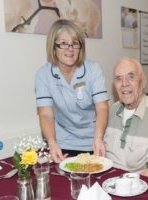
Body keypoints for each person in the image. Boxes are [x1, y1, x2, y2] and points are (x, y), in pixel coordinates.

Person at [35, 19, 109, 163]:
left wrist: (98, 139)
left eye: (75, 43)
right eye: (63, 43)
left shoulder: (93, 69)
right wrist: (52, 143)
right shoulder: (43, 75)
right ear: (53, 47)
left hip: (93, 140)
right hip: (63, 142)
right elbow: (45, 113)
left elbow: (102, 108)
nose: (70, 49)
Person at [104, 57, 148, 180]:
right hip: (107, 182)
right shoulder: (111, 110)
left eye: (131, 77)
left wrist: (119, 184)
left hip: (139, 186)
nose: (124, 84)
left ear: (142, 81)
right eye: (119, 79)